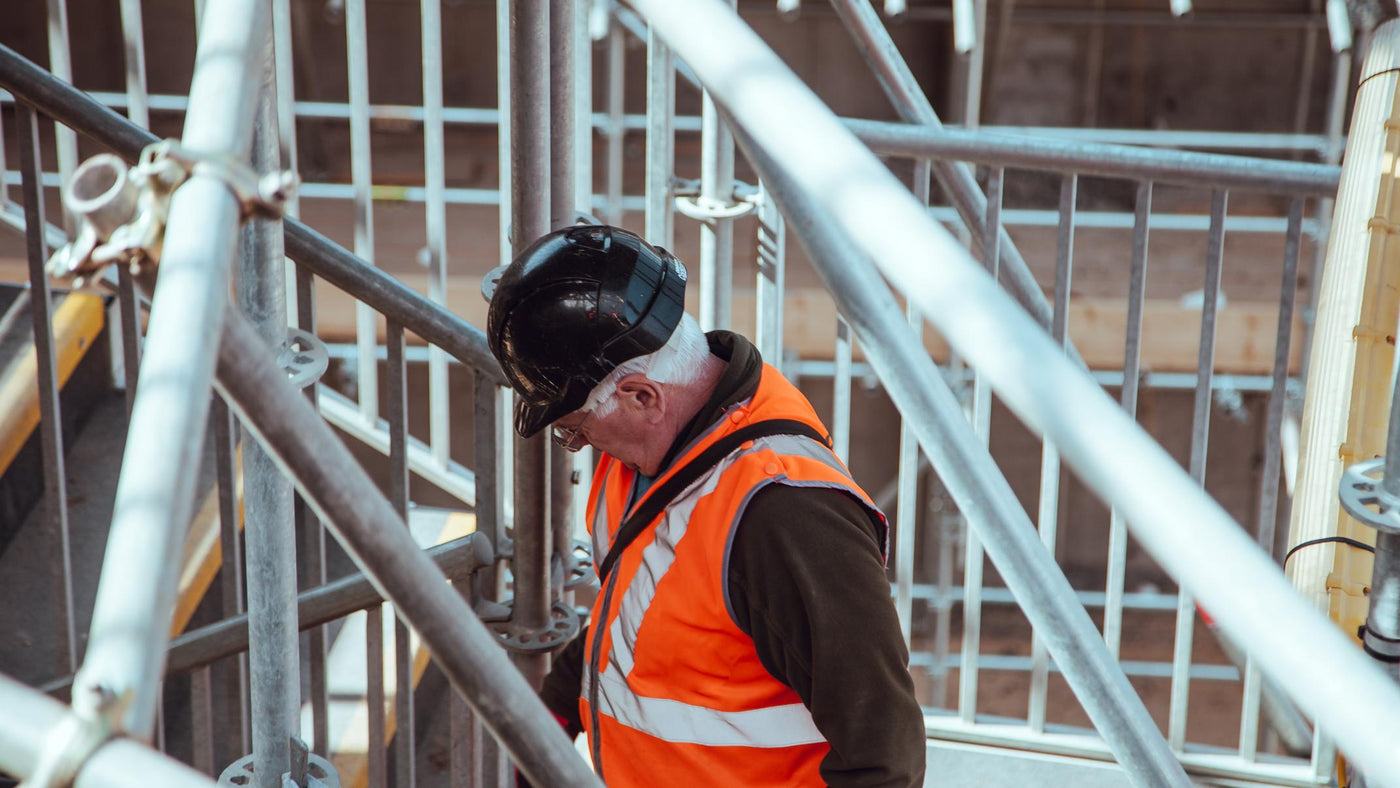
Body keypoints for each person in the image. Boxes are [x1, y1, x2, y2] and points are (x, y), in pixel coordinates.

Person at [486, 224, 926, 786]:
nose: (580, 443)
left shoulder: (784, 514)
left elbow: (885, 758)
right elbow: (637, 605)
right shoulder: (654, 451)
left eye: (574, 428)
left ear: (641, 395)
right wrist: (553, 710)